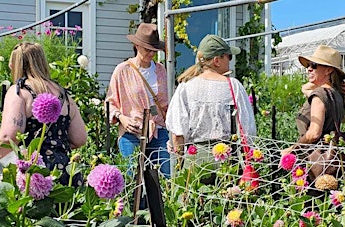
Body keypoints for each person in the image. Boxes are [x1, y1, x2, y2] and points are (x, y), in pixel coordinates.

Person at [0, 42, 87, 186]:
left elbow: (8, 136)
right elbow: (80, 138)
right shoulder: (64, 95)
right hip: (64, 174)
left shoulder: (19, 92)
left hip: (32, 175)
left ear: (16, 65)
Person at [165, 34, 256, 165]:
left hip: (195, 159)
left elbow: (178, 133)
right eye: (228, 56)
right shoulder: (233, 85)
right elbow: (248, 129)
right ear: (217, 60)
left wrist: (180, 164)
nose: (230, 61)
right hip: (227, 158)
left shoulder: (185, 87)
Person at [105, 23, 170, 178]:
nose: (151, 53)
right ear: (136, 46)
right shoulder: (123, 70)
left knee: (166, 179)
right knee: (134, 181)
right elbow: (110, 103)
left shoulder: (161, 70)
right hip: (132, 132)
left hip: (159, 131)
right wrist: (122, 118)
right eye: (148, 49)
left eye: (154, 50)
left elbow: (165, 104)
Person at [281, 45, 345, 181]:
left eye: (314, 65)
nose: (309, 68)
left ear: (328, 70)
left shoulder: (319, 95)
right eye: (309, 65)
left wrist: (292, 150)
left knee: (311, 200)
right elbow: (305, 88)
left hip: (315, 162)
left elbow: (314, 133)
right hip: (334, 160)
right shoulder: (337, 95)